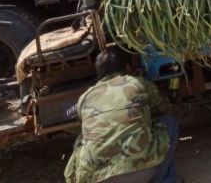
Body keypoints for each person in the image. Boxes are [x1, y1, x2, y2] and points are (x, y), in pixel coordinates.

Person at [64, 46, 179, 183]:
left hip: (95, 179)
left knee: (82, 139)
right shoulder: (137, 82)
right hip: (141, 172)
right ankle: (165, 180)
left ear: (99, 73)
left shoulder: (85, 97)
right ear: (128, 67)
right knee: (169, 123)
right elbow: (163, 108)